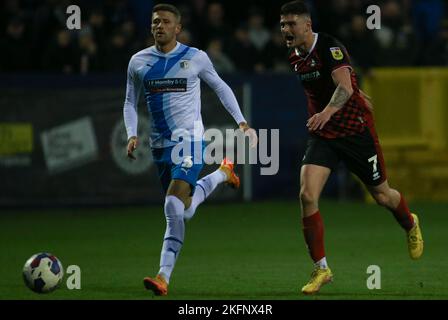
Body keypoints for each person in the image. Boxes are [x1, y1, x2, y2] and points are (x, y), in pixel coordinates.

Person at [279, 0, 423, 295]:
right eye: (282, 24)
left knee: (383, 196)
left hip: (356, 131)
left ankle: (409, 223)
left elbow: (343, 87)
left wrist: (332, 109)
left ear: (307, 25)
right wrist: (339, 105)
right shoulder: (294, 55)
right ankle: (322, 269)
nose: (286, 29)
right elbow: (342, 86)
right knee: (307, 195)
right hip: (324, 135)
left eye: (291, 24)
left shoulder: (330, 46)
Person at [123, 3, 257, 296]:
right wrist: (132, 134)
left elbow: (221, 87)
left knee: (172, 205)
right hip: (159, 146)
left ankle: (163, 276)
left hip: (190, 142)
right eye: (155, 21)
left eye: (166, 21)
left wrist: (243, 123)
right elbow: (130, 102)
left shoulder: (195, 57)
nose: (160, 26)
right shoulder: (138, 61)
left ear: (177, 28)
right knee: (184, 211)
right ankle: (222, 173)